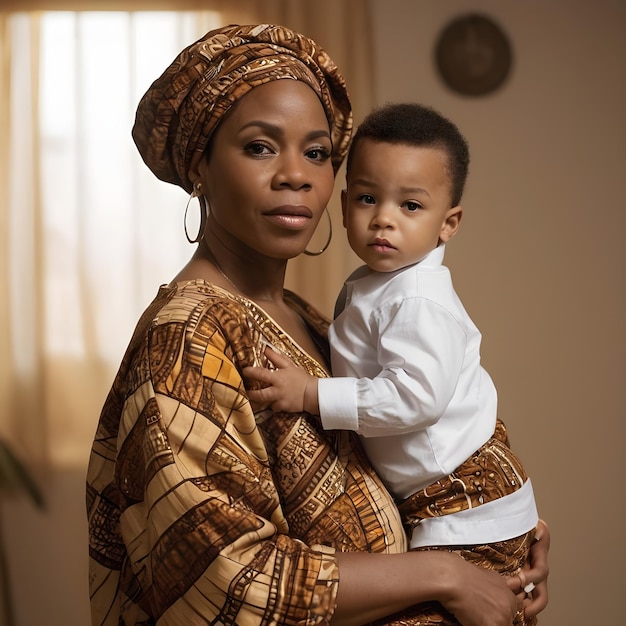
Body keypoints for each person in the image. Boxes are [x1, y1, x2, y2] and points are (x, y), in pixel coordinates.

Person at [86, 25, 549, 626]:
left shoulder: (309, 320)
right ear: (199, 162)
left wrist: (506, 537)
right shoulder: (187, 337)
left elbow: (435, 421)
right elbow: (228, 585)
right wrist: (448, 575)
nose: (296, 176)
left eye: (317, 152)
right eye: (259, 147)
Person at [244, 102, 543, 624]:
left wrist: (311, 394)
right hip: (448, 496)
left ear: (448, 223)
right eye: (367, 198)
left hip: (461, 500)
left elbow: (415, 398)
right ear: (343, 204)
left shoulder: (417, 298)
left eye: (410, 206)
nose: (383, 217)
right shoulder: (374, 285)